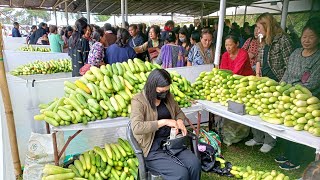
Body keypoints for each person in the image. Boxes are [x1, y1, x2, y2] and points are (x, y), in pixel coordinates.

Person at [130, 69, 201, 180]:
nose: (164, 94)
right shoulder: (138, 101)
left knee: (194, 164)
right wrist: (164, 122)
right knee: (180, 174)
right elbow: (136, 127)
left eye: (167, 91)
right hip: (152, 148)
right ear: (152, 87)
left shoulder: (168, 97)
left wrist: (180, 121)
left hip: (171, 142)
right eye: (161, 91)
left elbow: (179, 112)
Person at [275, 17, 320, 170]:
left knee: (299, 127)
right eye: (304, 36)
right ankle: (287, 153)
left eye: (311, 37)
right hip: (288, 95)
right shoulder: (295, 53)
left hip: (308, 98)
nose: (306, 40)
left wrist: (292, 90)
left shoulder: (318, 57)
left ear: (318, 38)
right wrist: (280, 87)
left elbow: (313, 82)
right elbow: (287, 74)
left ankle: (296, 159)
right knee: (286, 125)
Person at [245, 13, 294, 153]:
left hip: (277, 82)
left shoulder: (283, 40)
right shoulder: (263, 40)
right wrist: (257, 75)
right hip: (263, 81)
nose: (257, 30)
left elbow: (289, 65)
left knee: (271, 112)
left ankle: (270, 141)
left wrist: (281, 84)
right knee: (257, 109)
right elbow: (259, 58)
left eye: (259, 27)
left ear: (267, 26)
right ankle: (258, 137)